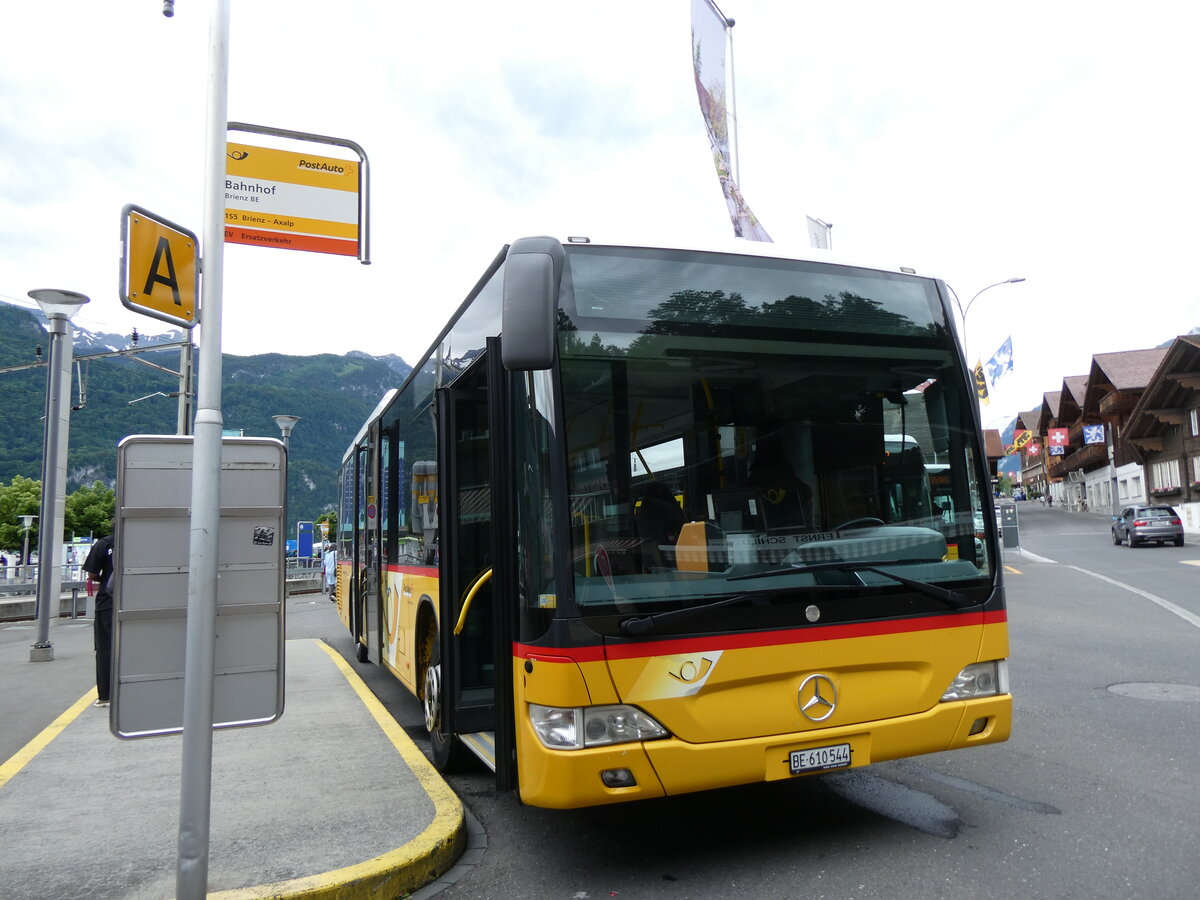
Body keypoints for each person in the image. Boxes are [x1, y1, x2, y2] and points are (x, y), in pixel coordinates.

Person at [81, 530, 115, 708]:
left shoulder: (104, 544)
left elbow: (92, 574)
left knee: (105, 648)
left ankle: (106, 695)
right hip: (134, 600)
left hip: (108, 603)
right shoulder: (138, 541)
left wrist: (106, 579)